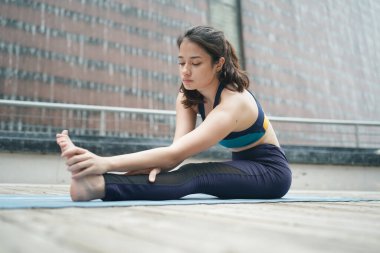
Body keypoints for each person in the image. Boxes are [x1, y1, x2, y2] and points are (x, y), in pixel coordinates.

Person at [56, 25, 292, 202]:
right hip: (242, 166)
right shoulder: (188, 96)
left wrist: (104, 163)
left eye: (196, 63)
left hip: (271, 173)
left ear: (218, 63)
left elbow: (173, 155)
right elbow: (175, 153)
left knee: (197, 174)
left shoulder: (234, 103)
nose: (186, 71)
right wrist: (155, 165)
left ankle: (96, 185)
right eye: (181, 63)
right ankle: (91, 183)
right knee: (180, 171)